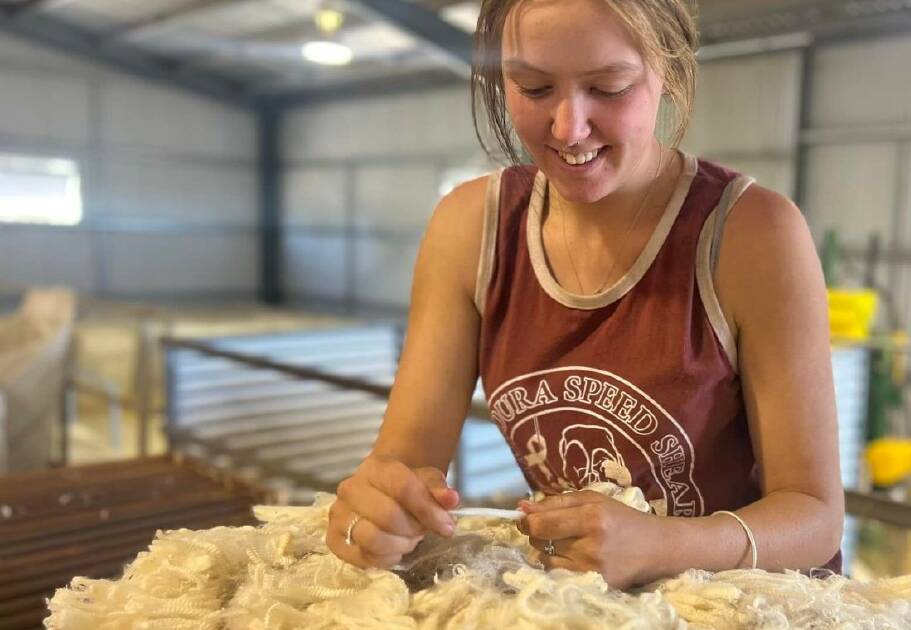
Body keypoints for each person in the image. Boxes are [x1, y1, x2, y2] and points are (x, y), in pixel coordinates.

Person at [326, 0, 844, 590]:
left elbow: (815, 515)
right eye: (534, 87)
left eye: (609, 87)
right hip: (587, 601)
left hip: (746, 601)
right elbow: (405, 463)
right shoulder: (472, 229)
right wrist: (381, 509)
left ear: (669, 72)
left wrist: (667, 544)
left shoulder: (752, 234)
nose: (569, 128)